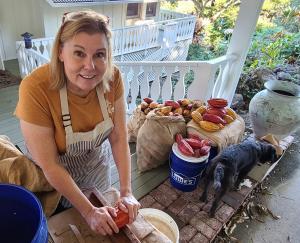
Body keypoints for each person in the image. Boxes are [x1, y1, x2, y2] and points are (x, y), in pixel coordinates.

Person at [15, 10, 140, 236]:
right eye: (79, 53)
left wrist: (126, 191)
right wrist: (89, 211)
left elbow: (119, 137)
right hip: (52, 176)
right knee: (65, 226)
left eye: (100, 54)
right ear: (61, 52)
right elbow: (51, 164)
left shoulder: (113, 78)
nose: (90, 66)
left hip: (94, 165)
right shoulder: (35, 88)